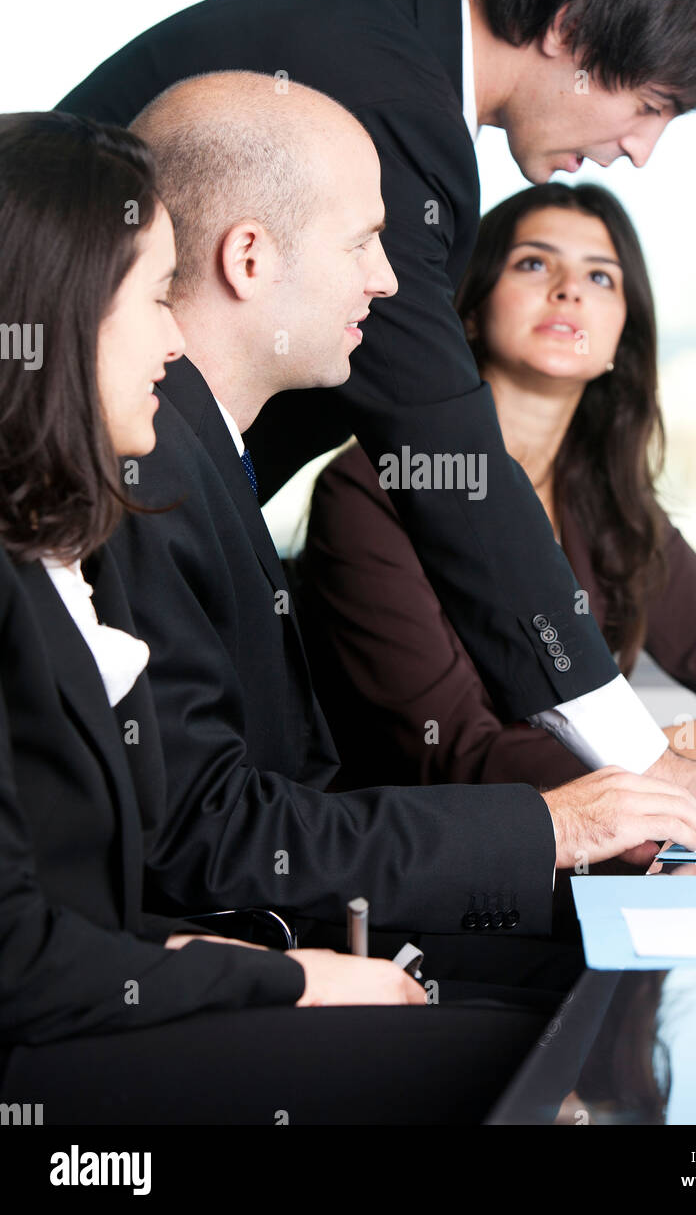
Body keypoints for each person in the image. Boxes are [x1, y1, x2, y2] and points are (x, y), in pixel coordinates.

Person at [57, 0, 696, 777]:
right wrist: (644, 764)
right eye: (650, 106)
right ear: (573, 29)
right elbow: (450, 462)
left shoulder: (385, 45)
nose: (640, 150)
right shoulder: (386, 101)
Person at [101, 72, 696, 977]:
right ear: (249, 259)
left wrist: (589, 840)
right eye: (364, 241)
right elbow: (208, 833)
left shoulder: (210, 459)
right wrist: (558, 827)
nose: (390, 280)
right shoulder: (154, 472)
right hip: (257, 963)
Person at [1, 111, 526, 1129]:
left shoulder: (44, 559)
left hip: (85, 1015)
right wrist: (282, 982)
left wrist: (244, 962)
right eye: (154, 297)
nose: (172, 335)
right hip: (40, 1060)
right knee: (530, 1068)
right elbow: (23, 956)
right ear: (57, 320)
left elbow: (77, 906)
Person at [301, 184, 696, 788]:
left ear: (620, 341)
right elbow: (453, 759)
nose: (569, 290)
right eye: (534, 263)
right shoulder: (374, 489)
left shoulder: (607, 500)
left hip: (601, 855)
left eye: (602, 278)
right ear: (471, 311)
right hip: (449, 866)